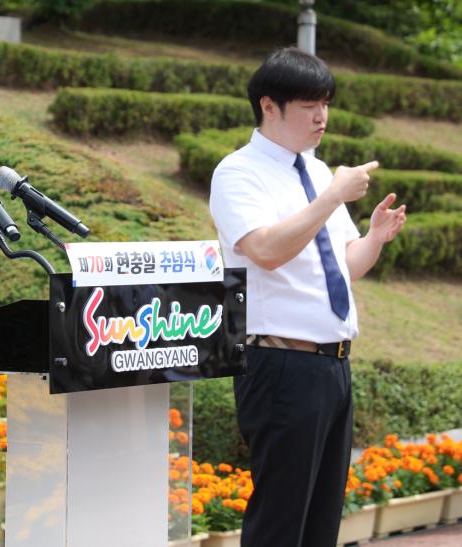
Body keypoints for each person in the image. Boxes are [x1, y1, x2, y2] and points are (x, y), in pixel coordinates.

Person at [209, 48, 406, 547]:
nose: (322, 117)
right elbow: (265, 250)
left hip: (333, 364)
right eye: (308, 105)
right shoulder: (238, 172)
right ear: (268, 106)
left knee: (321, 522)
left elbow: (345, 267)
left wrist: (375, 237)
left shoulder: (317, 173)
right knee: (280, 520)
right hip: (280, 362)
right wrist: (332, 196)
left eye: (326, 104)